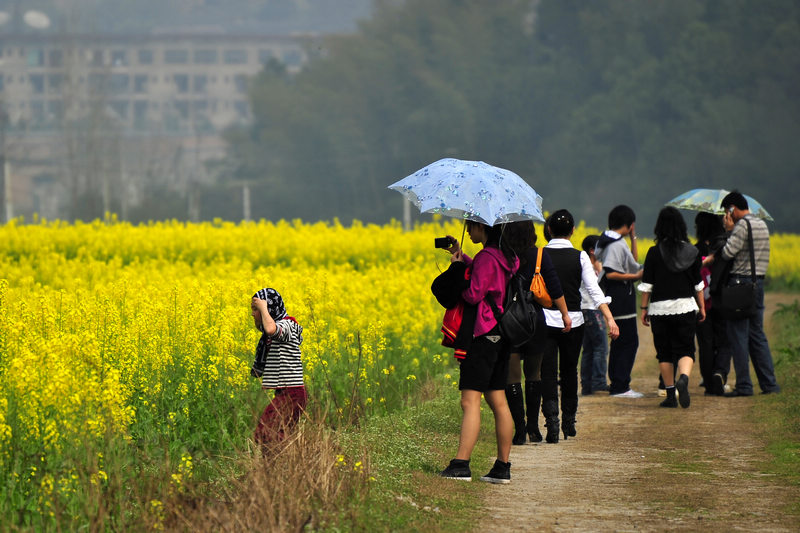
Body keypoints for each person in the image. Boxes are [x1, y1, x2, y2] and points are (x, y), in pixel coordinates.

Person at [439, 221, 519, 483]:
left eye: (470, 227)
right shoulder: (507, 256)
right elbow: (489, 275)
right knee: (498, 401)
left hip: (482, 334)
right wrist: (464, 256)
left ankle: (461, 464)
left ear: (481, 228)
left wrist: (458, 271)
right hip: (501, 335)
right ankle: (502, 467)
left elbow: (474, 295)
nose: (469, 231)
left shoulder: (487, 257)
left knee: (469, 401)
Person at [541, 210, 619, 442]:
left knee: (547, 372)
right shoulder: (580, 257)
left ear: (549, 231)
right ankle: (569, 421)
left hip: (544, 320)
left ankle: (551, 423)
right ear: (573, 230)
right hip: (574, 321)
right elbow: (594, 291)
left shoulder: (539, 254)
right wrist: (609, 317)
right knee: (568, 371)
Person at [503, 221, 571, 445]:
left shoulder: (503, 255)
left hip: (510, 321)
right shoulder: (540, 255)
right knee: (534, 375)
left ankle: (519, 430)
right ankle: (533, 427)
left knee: (512, 378)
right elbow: (555, 288)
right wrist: (564, 314)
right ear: (531, 233)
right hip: (535, 321)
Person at [712, 191, 781, 396]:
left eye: (727, 211)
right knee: (757, 335)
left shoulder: (742, 225)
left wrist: (728, 230)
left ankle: (744, 385)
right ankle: (769, 385)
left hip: (739, 285)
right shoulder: (761, 224)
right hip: (757, 284)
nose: (727, 215)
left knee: (738, 335)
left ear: (732, 208)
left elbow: (727, 252)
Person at [638, 207, 706, 408]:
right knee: (686, 349)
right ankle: (683, 379)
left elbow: (647, 286)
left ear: (659, 227)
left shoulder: (653, 252)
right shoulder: (693, 252)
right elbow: (698, 285)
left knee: (665, 352)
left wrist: (644, 309)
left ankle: (670, 396)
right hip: (685, 307)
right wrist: (701, 307)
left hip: (660, 310)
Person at [595, 205, 644, 398]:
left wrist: (632, 238)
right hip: (621, 296)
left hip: (616, 296)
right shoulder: (616, 244)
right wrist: (634, 276)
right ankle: (621, 386)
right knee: (628, 342)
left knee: (620, 342)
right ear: (630, 224)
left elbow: (632, 259)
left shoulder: (608, 240)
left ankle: (618, 383)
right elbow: (610, 272)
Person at [250, 288, 308, 448]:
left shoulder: (287, 326)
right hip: (286, 392)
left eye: (255, 309)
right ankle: (274, 469)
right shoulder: (274, 329)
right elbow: (265, 328)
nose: (252, 313)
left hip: (292, 393)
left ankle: (281, 468)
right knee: (266, 434)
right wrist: (260, 313)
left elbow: (270, 329)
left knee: (268, 433)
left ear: (269, 309)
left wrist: (262, 307)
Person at [694, 212, 730, 395]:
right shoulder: (724, 245)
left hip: (702, 302)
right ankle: (720, 372)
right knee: (724, 340)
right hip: (722, 299)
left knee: (705, 343)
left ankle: (709, 383)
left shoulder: (695, 249)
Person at [579, 234, 611, 395]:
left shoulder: (589, 265)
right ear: (592, 251)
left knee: (589, 349)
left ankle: (587, 384)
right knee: (601, 348)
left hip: (585, 310)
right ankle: (598, 381)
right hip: (592, 310)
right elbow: (594, 289)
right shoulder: (589, 268)